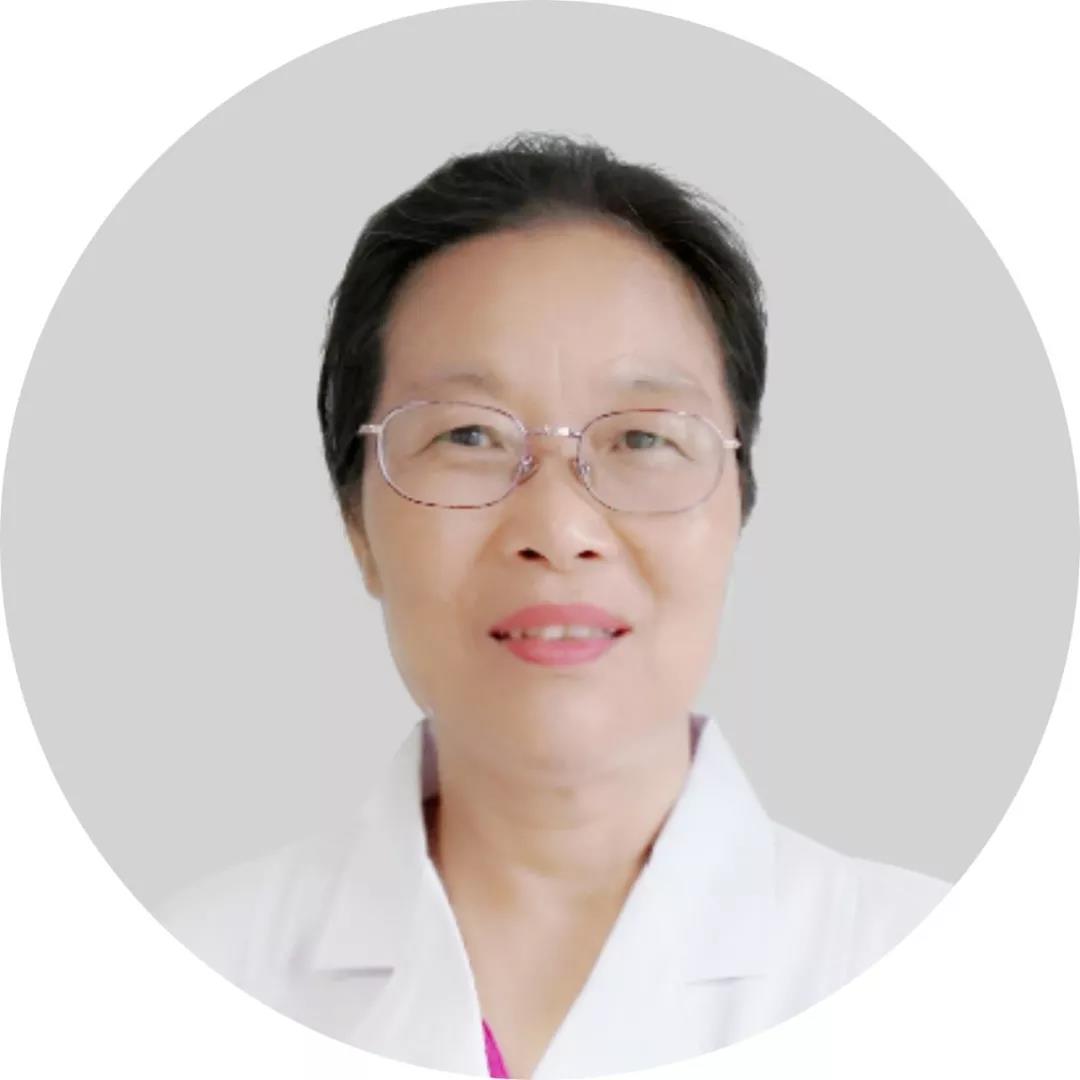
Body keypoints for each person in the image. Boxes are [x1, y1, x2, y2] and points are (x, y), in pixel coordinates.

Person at [155, 132, 950, 1078]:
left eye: (644, 439)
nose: (559, 527)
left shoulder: (947, 984)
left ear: (737, 505)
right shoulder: (174, 988)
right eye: (468, 435)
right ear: (357, 524)